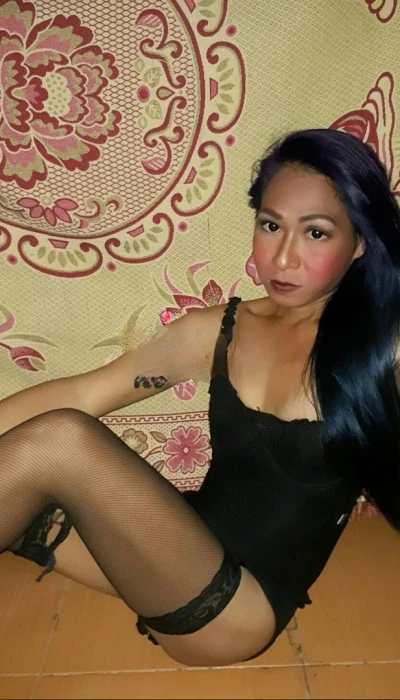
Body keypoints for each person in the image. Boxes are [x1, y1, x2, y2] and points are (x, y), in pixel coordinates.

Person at [1, 128, 399, 668]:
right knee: (23, 481)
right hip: (178, 550)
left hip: (236, 613)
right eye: (271, 225)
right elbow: (87, 391)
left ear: (360, 243)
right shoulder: (218, 331)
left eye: (316, 233)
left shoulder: (381, 352)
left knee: (62, 441)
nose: (283, 258)